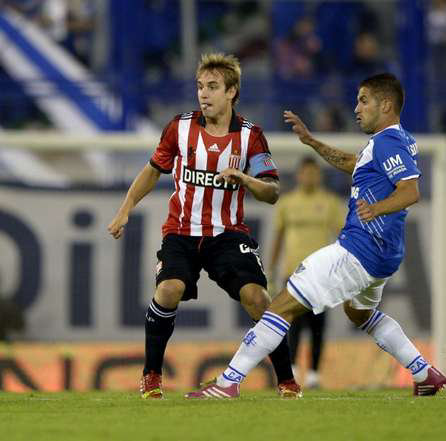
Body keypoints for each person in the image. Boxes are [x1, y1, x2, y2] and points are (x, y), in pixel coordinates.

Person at [186, 73, 446, 398]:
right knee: (358, 312)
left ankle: (227, 383)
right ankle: (425, 373)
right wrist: (311, 141)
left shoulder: (389, 142)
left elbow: (410, 191)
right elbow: (354, 163)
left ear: (387, 104)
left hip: (359, 249)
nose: (356, 108)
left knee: (279, 306)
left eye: (364, 100)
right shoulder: (395, 140)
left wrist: (376, 209)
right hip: (384, 255)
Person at [108, 53, 302, 399]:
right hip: (181, 232)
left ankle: (287, 380)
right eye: (200, 86)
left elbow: (272, 193)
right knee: (168, 290)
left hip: (227, 234)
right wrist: (125, 208)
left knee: (257, 298)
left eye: (212, 87)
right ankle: (151, 376)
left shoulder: (250, 136)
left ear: (232, 92)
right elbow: (153, 169)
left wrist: (243, 177)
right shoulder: (179, 128)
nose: (204, 94)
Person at [269, 156, 345, 388]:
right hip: (293, 271)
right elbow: (278, 238)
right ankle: (290, 370)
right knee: (291, 323)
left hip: (322, 274)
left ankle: (313, 374)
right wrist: (271, 270)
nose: (310, 177)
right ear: (299, 175)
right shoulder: (287, 203)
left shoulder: (330, 203)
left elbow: (342, 237)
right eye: (306, 172)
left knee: (318, 325)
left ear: (319, 176)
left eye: (314, 173)